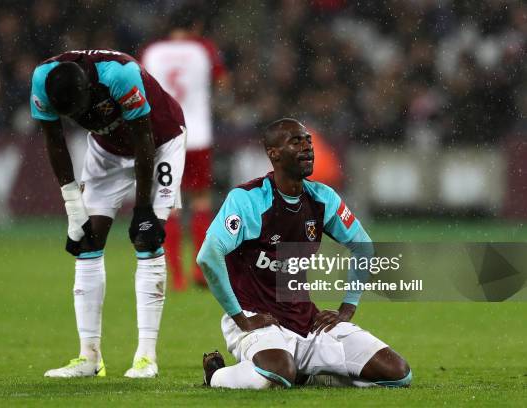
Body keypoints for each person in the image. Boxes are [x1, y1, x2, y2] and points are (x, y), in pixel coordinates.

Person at [196, 118, 411, 389]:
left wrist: (348, 308)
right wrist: (240, 317)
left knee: (397, 374)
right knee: (276, 375)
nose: (307, 147)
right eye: (296, 141)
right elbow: (208, 255)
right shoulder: (247, 199)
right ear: (273, 153)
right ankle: (215, 375)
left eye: (308, 141)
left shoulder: (323, 199)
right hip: (259, 321)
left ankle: (305, 373)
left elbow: (363, 246)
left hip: (307, 321)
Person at [30, 49, 186, 378]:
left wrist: (143, 208)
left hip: (160, 143)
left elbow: (144, 138)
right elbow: (54, 140)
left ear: (88, 89)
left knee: (147, 239)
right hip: (107, 151)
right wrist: (73, 206)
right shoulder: (42, 81)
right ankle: (89, 357)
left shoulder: (120, 74)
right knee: (88, 241)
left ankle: (146, 357)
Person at [141, 5, 229, 290]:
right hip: (198, 135)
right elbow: (223, 83)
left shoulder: (152, 52)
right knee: (201, 200)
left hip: (165, 136)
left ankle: (176, 276)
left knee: (170, 204)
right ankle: (200, 271)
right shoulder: (204, 49)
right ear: (196, 25)